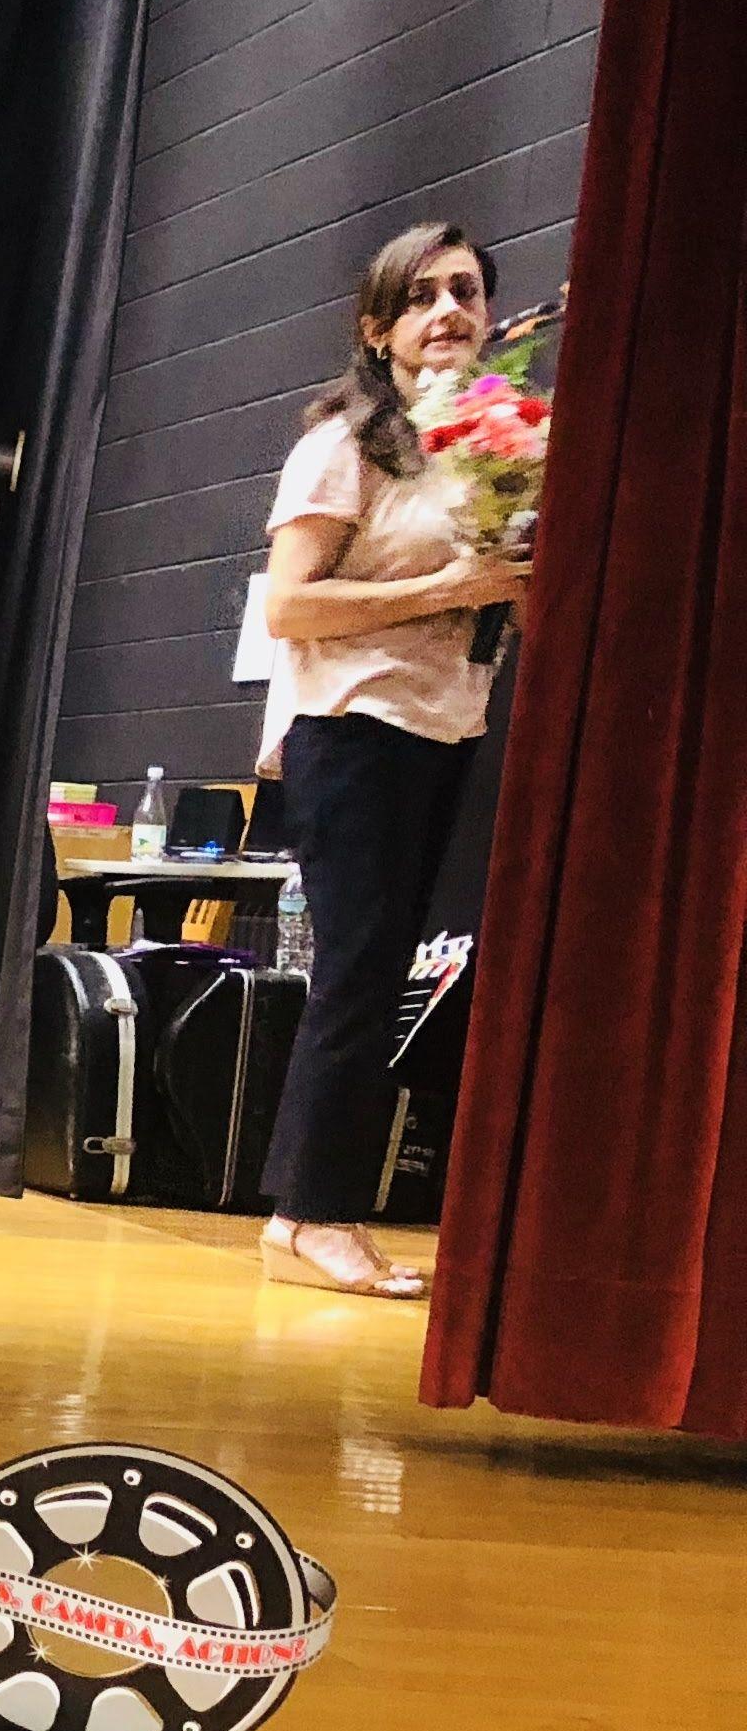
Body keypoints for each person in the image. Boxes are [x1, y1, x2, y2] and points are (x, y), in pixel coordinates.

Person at [249, 222, 532, 1298]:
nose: (450, 310)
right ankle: (318, 1214)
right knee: (360, 978)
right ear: (381, 330)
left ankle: (300, 1214)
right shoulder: (344, 446)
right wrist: (443, 591)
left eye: (466, 291)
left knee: (377, 977)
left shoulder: (495, 446)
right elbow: (291, 604)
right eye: (422, 296)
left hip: (446, 729)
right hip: (354, 730)